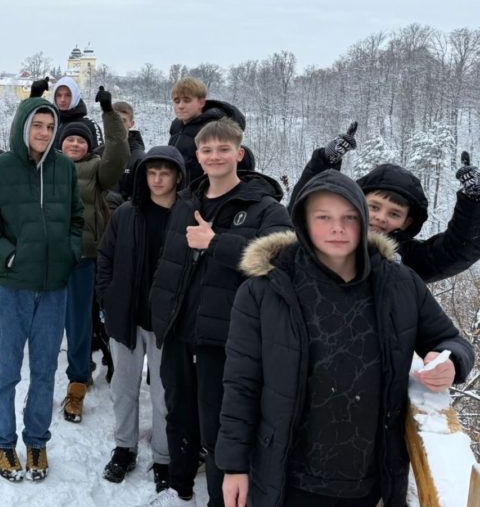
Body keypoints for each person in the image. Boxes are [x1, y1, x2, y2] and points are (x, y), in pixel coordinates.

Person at [218, 170, 474, 507]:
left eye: (349, 217)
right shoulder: (264, 290)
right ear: (303, 221)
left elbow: (451, 341)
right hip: (288, 476)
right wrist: (234, 465)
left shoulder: (399, 284)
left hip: (370, 480)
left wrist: (451, 361)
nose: (337, 228)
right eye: (323, 217)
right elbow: (241, 384)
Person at [148, 119, 292, 507]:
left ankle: (219, 500)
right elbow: (169, 264)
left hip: (227, 339)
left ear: (238, 154)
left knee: (218, 428)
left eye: (223, 149)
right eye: (207, 150)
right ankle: (179, 489)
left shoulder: (263, 206)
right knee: (177, 413)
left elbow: (282, 258)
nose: (214, 157)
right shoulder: (187, 203)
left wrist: (218, 243)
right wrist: (160, 316)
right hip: (180, 330)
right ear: (197, 156)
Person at [0, 97, 83, 483]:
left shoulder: (64, 168)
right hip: (14, 288)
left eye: (50, 127)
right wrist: (8, 254)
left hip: (54, 289)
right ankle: (3, 441)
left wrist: (69, 252)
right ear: (22, 126)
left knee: (45, 370)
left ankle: (36, 440)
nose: (44, 134)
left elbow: (77, 219)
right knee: (6, 372)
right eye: (38, 125)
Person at [97, 146, 185, 491]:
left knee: (165, 394)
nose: (158, 179)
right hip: (127, 317)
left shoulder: (188, 215)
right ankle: (124, 448)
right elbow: (105, 257)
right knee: (123, 388)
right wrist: (107, 297)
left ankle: (163, 458)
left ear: (178, 176)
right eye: (152, 172)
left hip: (167, 323)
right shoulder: (127, 214)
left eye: (165, 172)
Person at [290, 124, 480, 284]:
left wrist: (473, 202)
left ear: (407, 222)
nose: (381, 217)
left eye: (394, 214)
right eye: (374, 207)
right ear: (355, 202)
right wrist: (326, 161)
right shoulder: (325, 235)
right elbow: (300, 213)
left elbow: (456, 251)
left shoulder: (406, 259)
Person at [58, 87, 130, 424]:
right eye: (70, 140)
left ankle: (77, 382)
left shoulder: (99, 171)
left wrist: (109, 113)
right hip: (47, 257)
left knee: (78, 322)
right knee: (45, 323)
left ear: (89, 145)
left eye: (81, 141)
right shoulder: (47, 168)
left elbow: (118, 151)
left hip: (83, 257)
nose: (75, 144)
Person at [167, 76, 246, 186]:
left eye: (187, 100)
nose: (180, 106)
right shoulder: (176, 125)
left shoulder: (214, 126)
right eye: (177, 101)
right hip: (178, 191)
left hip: (200, 191)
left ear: (201, 103)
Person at [30, 75, 104, 149]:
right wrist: (33, 99)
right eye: (59, 95)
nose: (62, 99)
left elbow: (99, 155)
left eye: (68, 95)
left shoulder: (89, 124)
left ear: (75, 96)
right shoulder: (49, 121)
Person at [107, 100, 147, 209]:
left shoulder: (139, 159)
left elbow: (141, 199)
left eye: (123, 120)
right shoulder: (97, 154)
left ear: (131, 124)